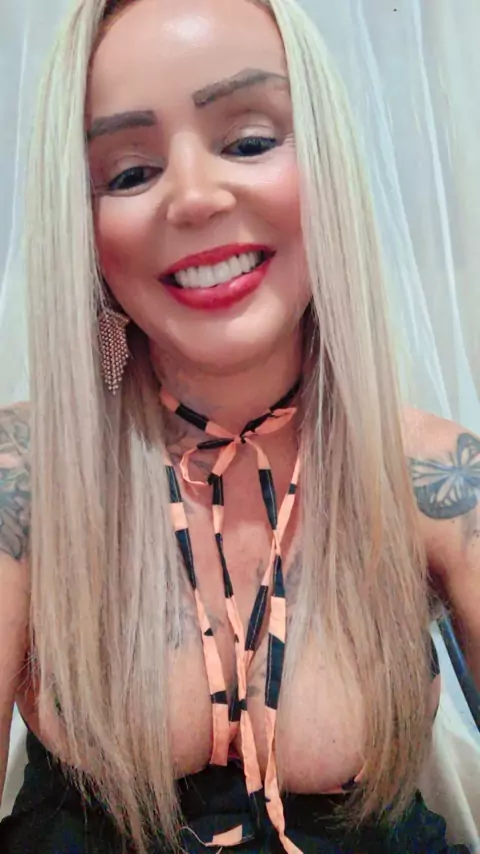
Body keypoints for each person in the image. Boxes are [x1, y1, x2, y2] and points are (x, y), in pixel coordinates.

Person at [0, 0, 479, 851]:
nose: (193, 198)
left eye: (250, 142)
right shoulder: (22, 482)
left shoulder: (443, 481)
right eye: (129, 173)